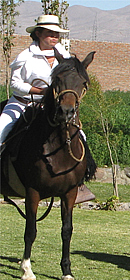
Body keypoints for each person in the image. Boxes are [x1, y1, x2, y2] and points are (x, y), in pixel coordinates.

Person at [1, 15, 94, 202]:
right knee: (1, 129)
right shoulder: (25, 57)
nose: (54, 37)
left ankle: (80, 181)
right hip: (23, 102)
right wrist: (39, 90)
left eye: (56, 34)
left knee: (80, 136)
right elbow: (15, 84)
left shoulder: (65, 57)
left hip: (52, 106)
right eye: (50, 33)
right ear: (38, 33)